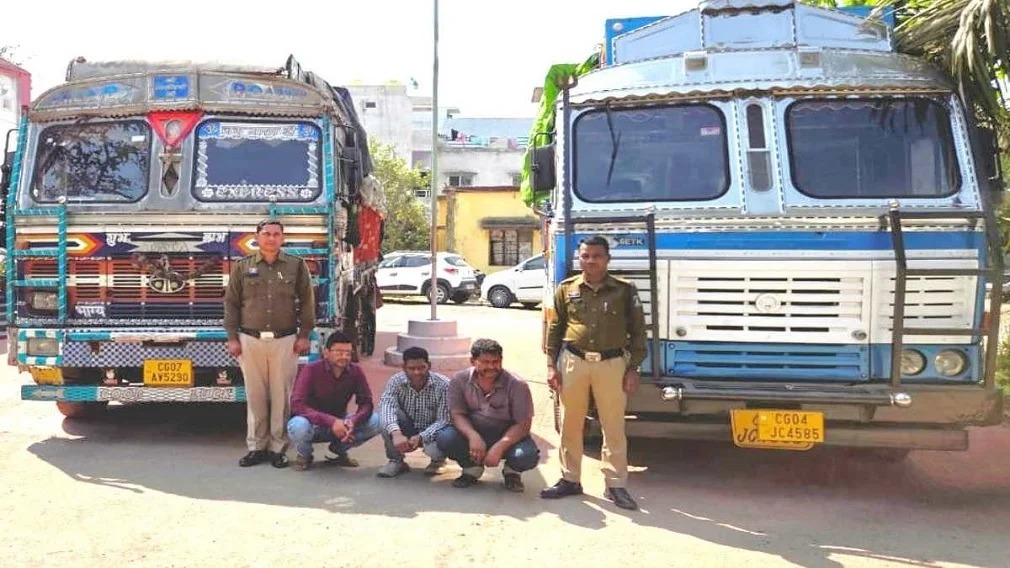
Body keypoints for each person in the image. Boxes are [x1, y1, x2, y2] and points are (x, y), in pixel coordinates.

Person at [540, 235, 647, 511]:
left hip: (611, 364)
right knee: (571, 423)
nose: (590, 261)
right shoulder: (566, 289)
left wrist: (633, 368)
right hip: (573, 361)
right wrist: (551, 365)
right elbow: (555, 328)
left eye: (596, 256)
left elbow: (638, 332)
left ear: (607, 259)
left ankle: (616, 485)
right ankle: (570, 479)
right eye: (585, 256)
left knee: (613, 425)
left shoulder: (624, 290)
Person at [225, 219, 315, 469]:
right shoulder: (242, 266)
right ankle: (256, 447)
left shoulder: (296, 266)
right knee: (255, 396)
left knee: (281, 396)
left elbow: (307, 302)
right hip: (250, 339)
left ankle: (278, 448)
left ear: (282, 238)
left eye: (276, 234)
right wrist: (232, 337)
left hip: (285, 340)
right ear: (257, 237)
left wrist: (304, 334)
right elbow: (231, 303)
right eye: (266, 234)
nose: (271, 238)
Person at [436, 339, 540, 492]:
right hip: (474, 433)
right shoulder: (459, 380)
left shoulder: (517, 385)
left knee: (526, 456)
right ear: (473, 361)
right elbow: (457, 414)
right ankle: (471, 468)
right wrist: (472, 436)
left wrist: (500, 446)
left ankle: (512, 472)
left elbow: (523, 424)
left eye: (495, 362)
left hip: (507, 435)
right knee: (445, 438)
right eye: (485, 362)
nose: (491, 367)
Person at [286, 331, 382, 471]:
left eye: (348, 353)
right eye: (339, 352)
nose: (344, 357)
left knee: (378, 421)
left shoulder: (356, 371)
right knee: (298, 425)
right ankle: (304, 455)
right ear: (326, 352)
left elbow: (366, 403)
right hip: (312, 424)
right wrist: (331, 422)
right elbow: (297, 405)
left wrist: (353, 421)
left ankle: (338, 450)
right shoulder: (310, 370)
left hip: (342, 424)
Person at [375, 346, 451, 478]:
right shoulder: (395, 381)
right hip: (408, 425)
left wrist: (422, 436)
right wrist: (396, 433)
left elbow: (444, 420)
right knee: (385, 420)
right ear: (404, 367)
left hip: (432, 431)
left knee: (440, 442)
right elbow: (387, 406)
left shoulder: (444, 385)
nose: (417, 372)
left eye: (421, 368)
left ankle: (438, 461)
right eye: (411, 368)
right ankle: (396, 460)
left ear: (429, 365)